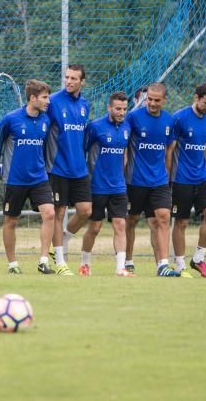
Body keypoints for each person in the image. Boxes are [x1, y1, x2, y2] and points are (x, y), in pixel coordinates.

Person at [0, 79, 57, 275]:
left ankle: (43, 261)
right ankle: (12, 264)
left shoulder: (46, 120)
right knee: (11, 221)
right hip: (14, 179)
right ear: (32, 98)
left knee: (49, 214)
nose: (48, 102)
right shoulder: (11, 119)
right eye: (44, 97)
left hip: (39, 178)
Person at [124, 82, 181, 277]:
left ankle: (163, 265)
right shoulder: (133, 118)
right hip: (135, 181)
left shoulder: (169, 121)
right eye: (149, 99)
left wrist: (166, 177)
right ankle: (128, 261)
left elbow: (168, 152)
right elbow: (124, 146)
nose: (152, 103)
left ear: (164, 100)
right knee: (130, 221)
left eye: (157, 100)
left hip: (159, 182)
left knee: (162, 219)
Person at [170, 83, 206, 278]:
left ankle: (198, 258)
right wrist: (168, 179)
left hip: (202, 178)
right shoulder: (179, 118)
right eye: (205, 102)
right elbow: (170, 150)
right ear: (196, 97)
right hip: (181, 179)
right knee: (181, 222)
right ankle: (180, 264)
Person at [45, 64, 91, 276]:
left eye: (74, 78)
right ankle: (60, 260)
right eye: (67, 77)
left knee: (85, 211)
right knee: (59, 212)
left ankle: (62, 240)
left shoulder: (85, 105)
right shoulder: (53, 101)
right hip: (58, 167)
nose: (69, 81)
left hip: (79, 168)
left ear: (82, 82)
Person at [80, 92, 132, 276]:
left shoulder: (127, 127)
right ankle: (85, 263)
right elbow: (82, 152)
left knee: (120, 224)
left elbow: (124, 153)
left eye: (124, 109)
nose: (121, 112)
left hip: (118, 186)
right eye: (118, 109)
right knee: (95, 227)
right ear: (109, 107)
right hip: (97, 186)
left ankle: (120, 267)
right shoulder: (95, 127)